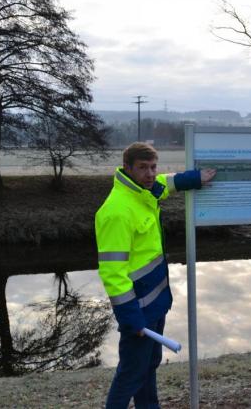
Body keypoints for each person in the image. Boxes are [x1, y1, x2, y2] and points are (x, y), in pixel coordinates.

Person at [95, 142, 215, 409]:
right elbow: (112, 273)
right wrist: (131, 318)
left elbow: (164, 182)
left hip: (155, 304)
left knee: (148, 365)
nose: (150, 174)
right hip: (138, 310)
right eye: (142, 168)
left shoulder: (144, 193)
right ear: (127, 168)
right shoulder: (117, 211)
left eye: (153, 167)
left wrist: (194, 178)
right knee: (130, 374)